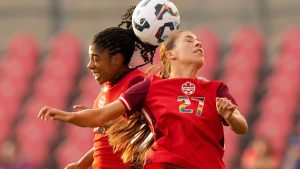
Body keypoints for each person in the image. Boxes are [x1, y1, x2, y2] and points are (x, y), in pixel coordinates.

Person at [38, 30, 248, 169]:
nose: (198, 44)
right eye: (189, 40)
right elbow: (101, 116)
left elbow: (241, 127)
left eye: (199, 42)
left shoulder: (215, 89)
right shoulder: (149, 87)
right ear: (170, 54)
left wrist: (230, 115)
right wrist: (68, 116)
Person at [61, 6, 157, 169]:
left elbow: (142, 135)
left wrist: (100, 120)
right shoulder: (106, 90)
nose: (90, 65)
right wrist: (80, 164)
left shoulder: (137, 85)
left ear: (116, 59)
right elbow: (108, 141)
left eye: (96, 59)